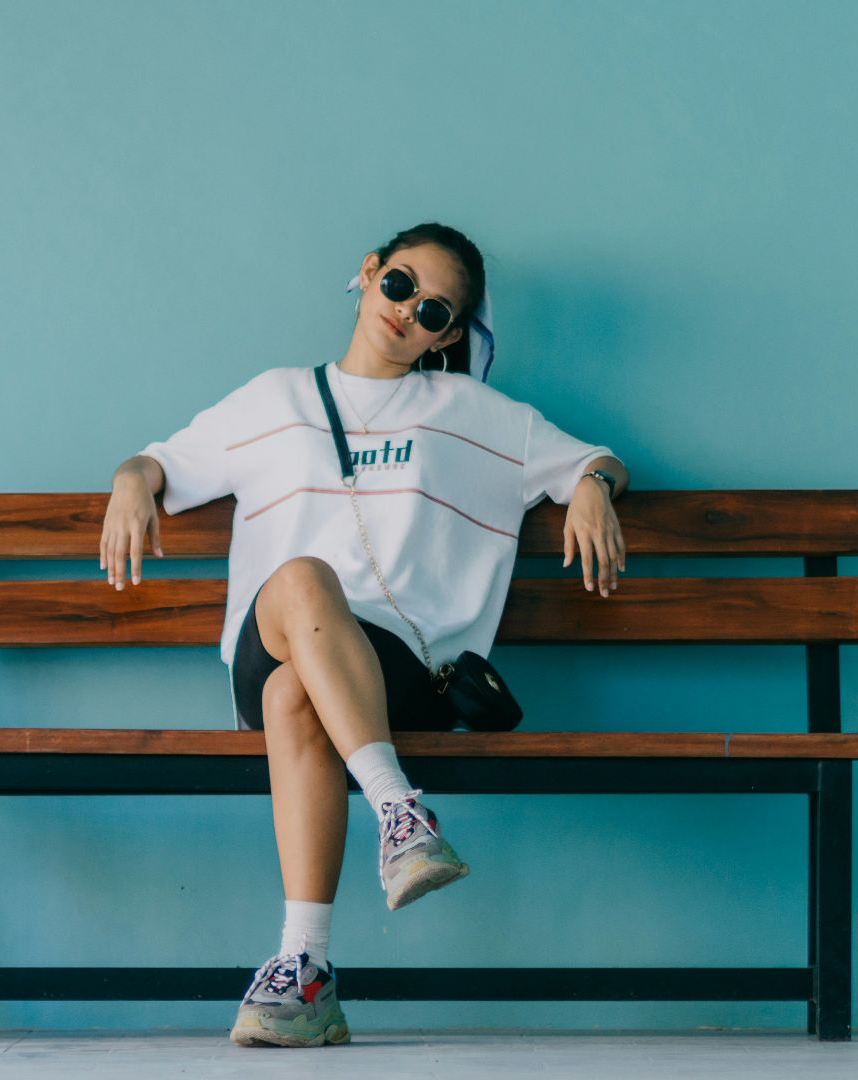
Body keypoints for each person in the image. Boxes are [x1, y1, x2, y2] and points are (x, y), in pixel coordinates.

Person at [98, 223, 631, 1048]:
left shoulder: (473, 414)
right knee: (303, 582)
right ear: (368, 274)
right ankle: (401, 814)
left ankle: (304, 975)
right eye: (399, 286)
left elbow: (592, 459)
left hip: (399, 676)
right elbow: (163, 461)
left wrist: (593, 483)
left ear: (448, 335)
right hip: (275, 632)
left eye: (434, 311)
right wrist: (131, 479)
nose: (407, 312)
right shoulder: (274, 399)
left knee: (294, 694)